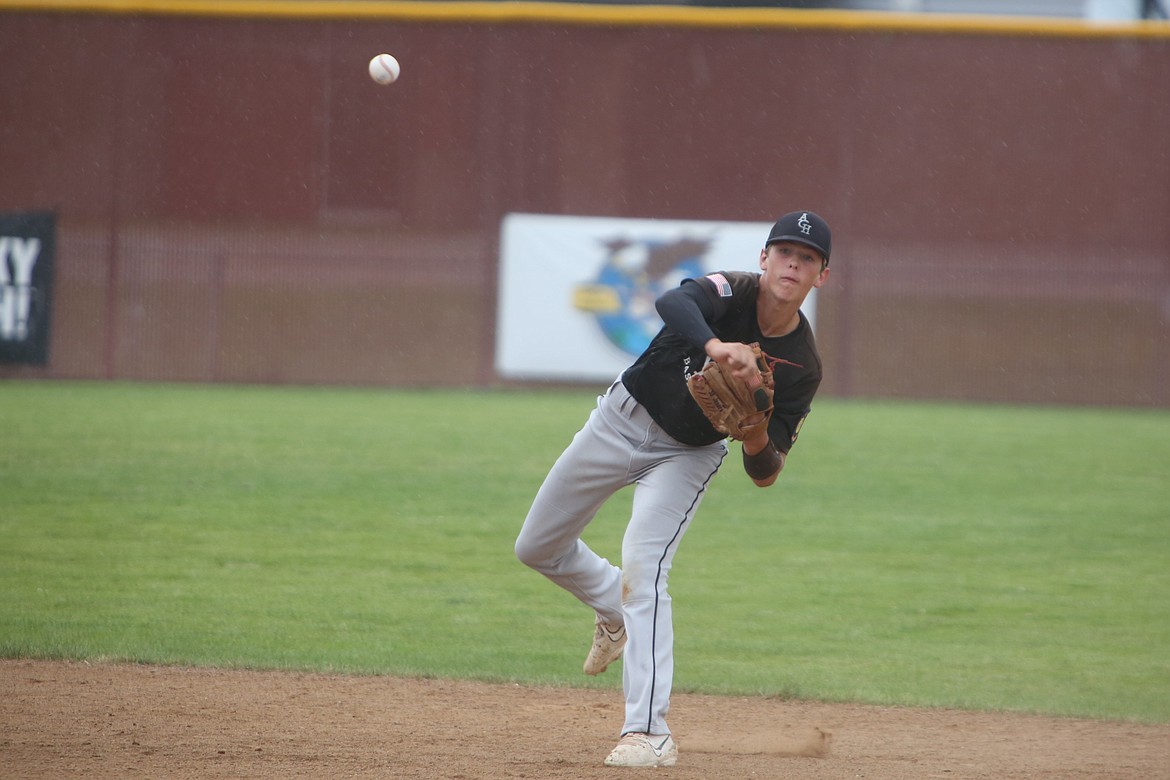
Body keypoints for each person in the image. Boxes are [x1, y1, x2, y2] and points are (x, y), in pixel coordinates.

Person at [514, 210, 832, 768]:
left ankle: (648, 732)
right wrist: (716, 347)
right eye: (784, 252)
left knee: (646, 569)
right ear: (765, 259)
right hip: (618, 419)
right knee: (537, 547)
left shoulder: (802, 364)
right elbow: (672, 303)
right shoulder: (730, 290)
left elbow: (767, 471)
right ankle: (613, 608)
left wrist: (756, 432)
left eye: (807, 259)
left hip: (686, 456)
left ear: (820, 277)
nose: (792, 264)